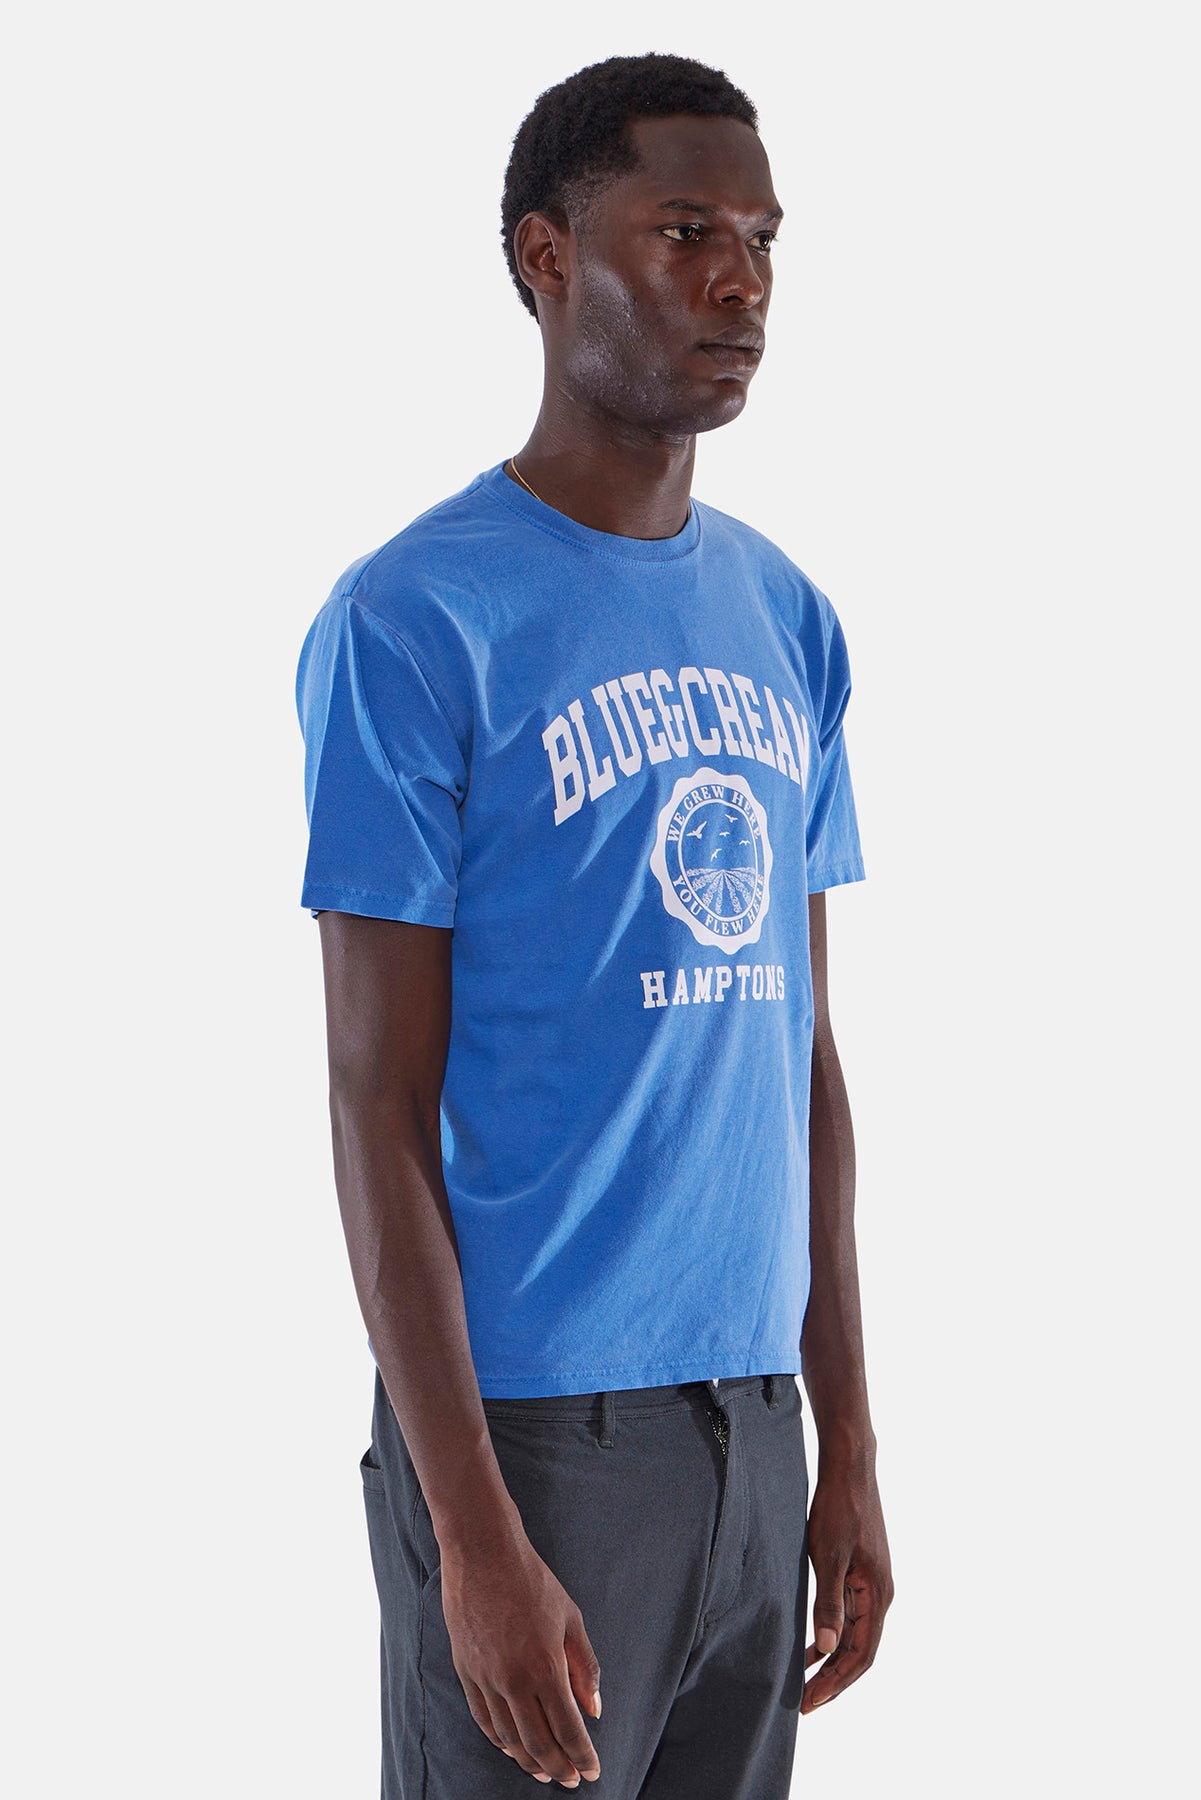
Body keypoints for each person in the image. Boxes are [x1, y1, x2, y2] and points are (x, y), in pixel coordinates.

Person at [296, 51, 892, 1799]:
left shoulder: (787, 615)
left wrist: (844, 1441)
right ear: (546, 257)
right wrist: (471, 1536)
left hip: (753, 1426)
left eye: (763, 240)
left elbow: (799, 1057)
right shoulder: (414, 621)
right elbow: (374, 1106)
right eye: (685, 231)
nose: (741, 283)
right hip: (533, 1439)